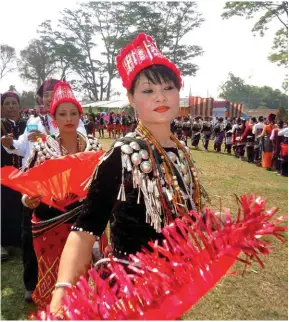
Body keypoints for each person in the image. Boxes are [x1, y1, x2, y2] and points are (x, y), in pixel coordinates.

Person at [49, 33, 211, 313]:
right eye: (148, 90)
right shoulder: (121, 155)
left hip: (174, 284)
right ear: (131, 98)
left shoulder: (181, 150)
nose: (160, 96)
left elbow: (179, 213)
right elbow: (85, 230)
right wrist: (62, 288)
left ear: (178, 94)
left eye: (168, 87)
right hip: (129, 291)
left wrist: (208, 220)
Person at [21, 81, 102, 309]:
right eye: (62, 113)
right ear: (53, 118)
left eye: (73, 113)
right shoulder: (42, 149)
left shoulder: (93, 147)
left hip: (85, 224)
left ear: (80, 116)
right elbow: (26, 187)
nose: (69, 118)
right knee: (54, 279)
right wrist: (28, 199)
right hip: (50, 226)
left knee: (83, 277)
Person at [1, 91, 27, 261]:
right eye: (7, 104)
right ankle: (2, 244)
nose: (11, 106)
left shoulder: (29, 124)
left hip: (25, 173)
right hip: (4, 172)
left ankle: (20, 241)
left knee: (23, 207)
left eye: (14, 103)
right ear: (2, 108)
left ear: (19, 105)